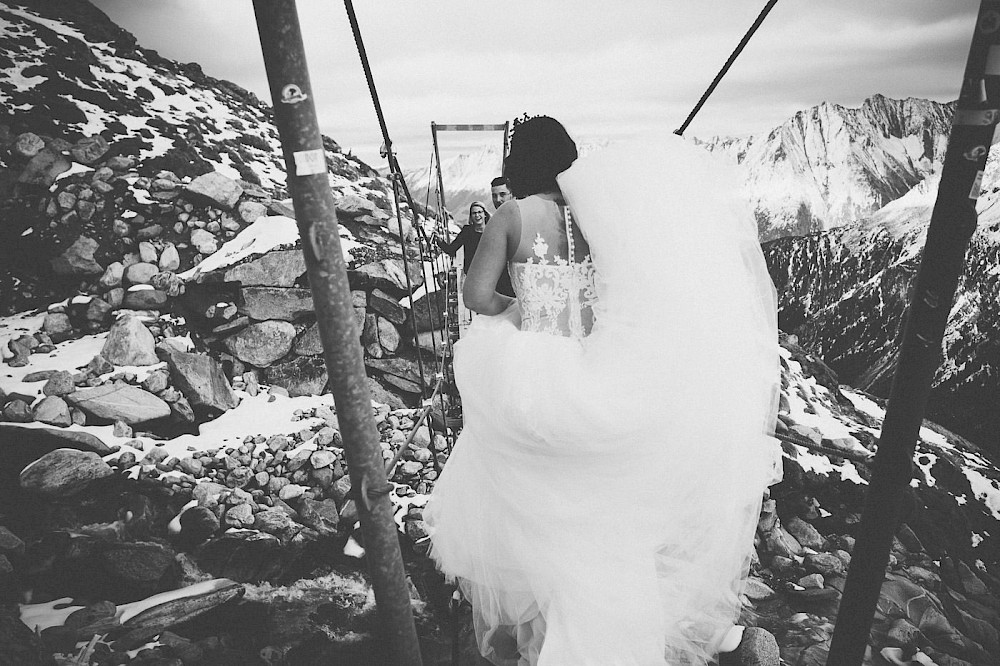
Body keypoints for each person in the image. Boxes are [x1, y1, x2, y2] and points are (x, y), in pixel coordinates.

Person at [426, 116, 782, 665]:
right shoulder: (597, 216)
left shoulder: (512, 215)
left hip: (534, 371)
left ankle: (547, 616)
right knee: (595, 504)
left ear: (520, 162)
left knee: (531, 497)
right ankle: (608, 619)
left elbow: (476, 295)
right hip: (598, 367)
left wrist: (516, 307)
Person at [436, 201, 514, 298]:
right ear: (471, 216)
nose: (477, 215)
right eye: (474, 213)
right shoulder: (467, 232)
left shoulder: (494, 230)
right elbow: (451, 250)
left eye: (479, 212)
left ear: (485, 214)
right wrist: (439, 241)